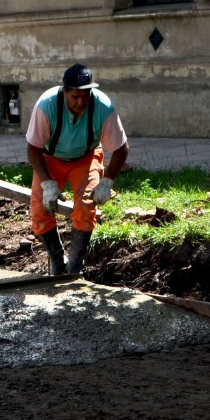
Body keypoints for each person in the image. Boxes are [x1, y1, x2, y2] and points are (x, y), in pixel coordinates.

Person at [26, 63, 129, 275]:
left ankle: (75, 266)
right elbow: (33, 149)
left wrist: (107, 182)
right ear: (64, 91)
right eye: (75, 97)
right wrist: (47, 184)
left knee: (85, 206)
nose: (81, 102)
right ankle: (57, 261)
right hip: (50, 159)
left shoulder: (103, 107)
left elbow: (121, 149)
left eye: (86, 95)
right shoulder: (46, 106)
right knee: (39, 210)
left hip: (86, 158)